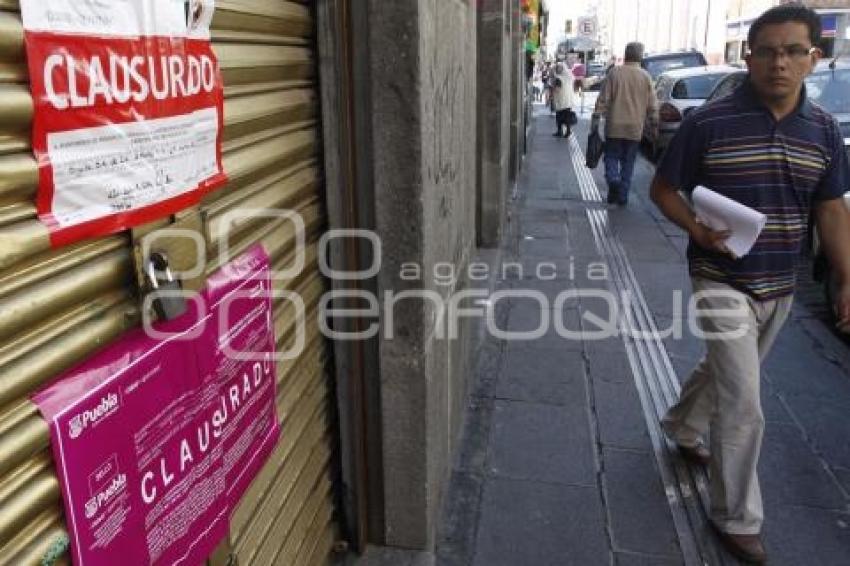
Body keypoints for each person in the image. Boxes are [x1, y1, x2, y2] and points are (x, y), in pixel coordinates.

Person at [650, 4, 850, 564]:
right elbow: (663, 190)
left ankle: (683, 427)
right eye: (767, 51)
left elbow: (831, 208)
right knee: (744, 399)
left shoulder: (824, 131)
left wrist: (845, 277)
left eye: (792, 51)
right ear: (749, 55)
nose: (778, 63)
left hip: (780, 283)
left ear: (813, 58)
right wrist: (697, 229)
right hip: (719, 275)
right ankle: (736, 516)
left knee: (726, 370)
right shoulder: (708, 123)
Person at [592, 42, 658, 205]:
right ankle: (622, 195)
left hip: (615, 126)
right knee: (629, 162)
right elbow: (652, 104)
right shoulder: (645, 76)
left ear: (626, 54)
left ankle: (613, 180)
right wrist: (654, 122)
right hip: (635, 128)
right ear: (640, 56)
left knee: (611, 157)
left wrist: (596, 117)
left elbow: (603, 98)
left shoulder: (615, 73)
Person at [551, 63, 576, 138]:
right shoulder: (570, 76)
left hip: (560, 101)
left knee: (559, 117)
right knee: (567, 117)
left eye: (558, 68)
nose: (557, 69)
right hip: (568, 101)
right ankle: (568, 131)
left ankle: (559, 131)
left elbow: (557, 89)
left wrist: (552, 87)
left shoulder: (559, 78)